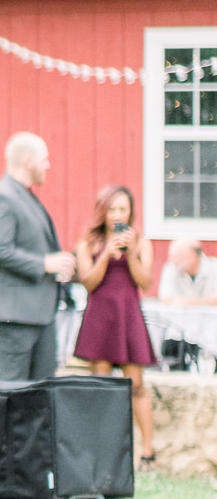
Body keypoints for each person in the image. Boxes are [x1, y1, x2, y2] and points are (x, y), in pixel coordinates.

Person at [0, 132, 76, 381]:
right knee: (11, 392)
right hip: (15, 315)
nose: (48, 165)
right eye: (44, 159)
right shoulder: (2, 196)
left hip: (38, 312)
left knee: (40, 392)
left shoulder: (23, 195)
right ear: (28, 160)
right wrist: (46, 263)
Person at [74, 184, 156, 469]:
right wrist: (106, 254)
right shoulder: (87, 243)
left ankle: (147, 451)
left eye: (123, 208)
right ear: (102, 211)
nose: (117, 214)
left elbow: (145, 283)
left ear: (130, 210)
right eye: (112, 209)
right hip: (100, 316)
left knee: (136, 385)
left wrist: (131, 253)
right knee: (102, 386)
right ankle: (104, 451)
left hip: (128, 314)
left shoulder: (141, 242)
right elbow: (88, 282)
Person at [156, 239, 217, 307]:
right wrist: (205, 301)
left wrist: (187, 303)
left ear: (191, 257)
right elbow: (165, 299)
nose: (172, 260)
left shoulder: (214, 267)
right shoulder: (170, 268)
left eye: (175, 257)